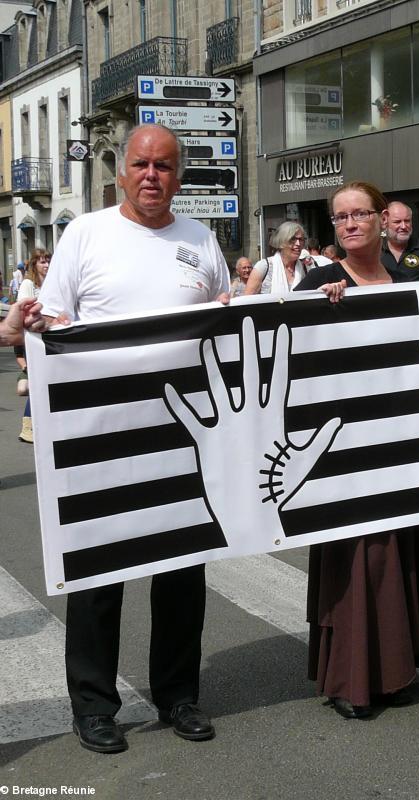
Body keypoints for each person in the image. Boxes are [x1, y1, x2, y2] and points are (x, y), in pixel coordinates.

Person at [27, 123, 230, 752]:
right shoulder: (85, 234)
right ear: (121, 172)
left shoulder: (201, 239)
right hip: (101, 438)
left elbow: (223, 321)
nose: (152, 176)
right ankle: (93, 706)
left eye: (165, 167)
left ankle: (178, 695)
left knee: (180, 573)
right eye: (141, 164)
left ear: (180, 176)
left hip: (182, 436)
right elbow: (54, 326)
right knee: (98, 574)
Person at [294, 180, 419, 718]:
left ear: (382, 218)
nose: (350, 224)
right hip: (345, 452)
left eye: (359, 214)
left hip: (402, 445)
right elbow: (291, 354)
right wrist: (319, 312)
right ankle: (351, 679)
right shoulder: (318, 281)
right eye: (340, 218)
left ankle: (401, 666)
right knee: (359, 558)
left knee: (400, 556)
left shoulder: (411, 278)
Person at [14, 248, 50, 444]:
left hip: (49, 337)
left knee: (46, 381)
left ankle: (41, 424)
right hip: (33, 339)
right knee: (37, 382)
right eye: (42, 261)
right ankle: (27, 427)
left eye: (48, 261)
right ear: (34, 265)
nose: (46, 265)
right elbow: (23, 311)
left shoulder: (51, 283)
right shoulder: (29, 284)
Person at [244, 222, 311, 296]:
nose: (298, 244)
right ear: (282, 241)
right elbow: (247, 301)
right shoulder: (264, 267)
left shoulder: (306, 269)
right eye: (293, 239)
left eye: (301, 239)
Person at [380, 201, 419, 282]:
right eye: (397, 222)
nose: (403, 226)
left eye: (407, 221)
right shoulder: (374, 251)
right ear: (385, 222)